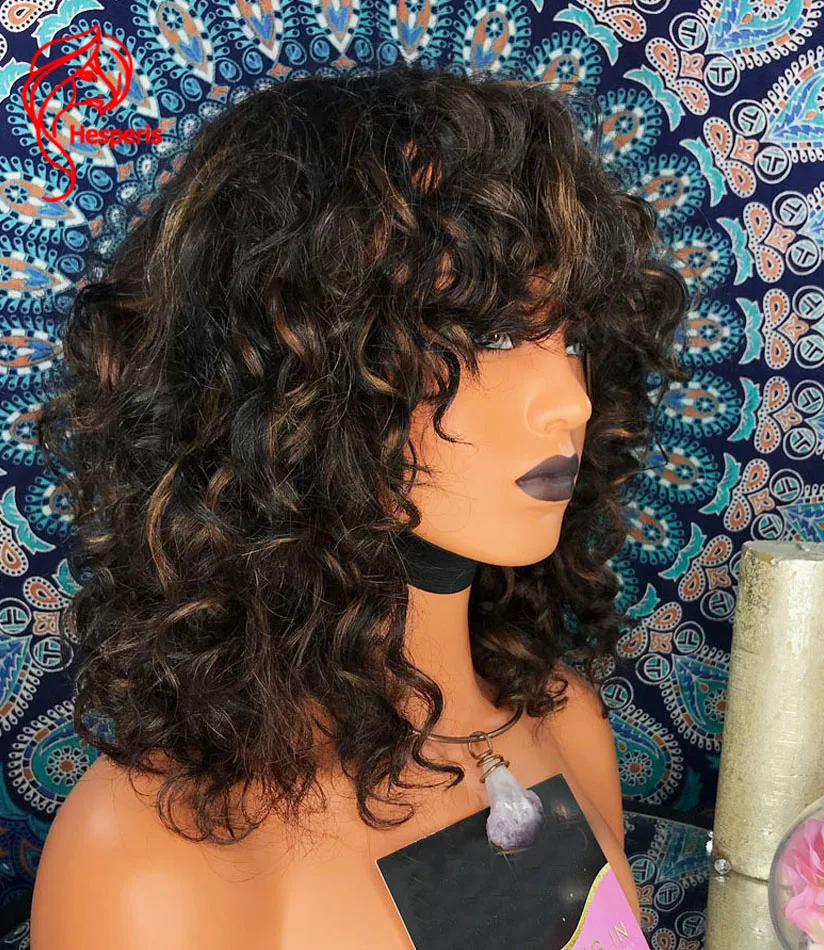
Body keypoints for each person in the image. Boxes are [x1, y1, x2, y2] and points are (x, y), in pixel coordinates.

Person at [30, 62, 688, 948]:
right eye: (490, 334)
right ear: (289, 369)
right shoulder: (155, 853)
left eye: (570, 339)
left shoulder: (564, 723)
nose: (568, 402)